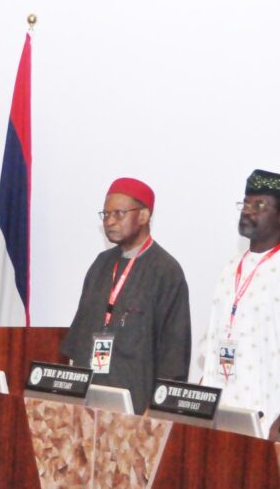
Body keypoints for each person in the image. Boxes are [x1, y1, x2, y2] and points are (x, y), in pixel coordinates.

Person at [191, 170, 280, 438]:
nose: (247, 211)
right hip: (216, 414)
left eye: (259, 205)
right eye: (245, 203)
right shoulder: (231, 266)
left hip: (265, 418)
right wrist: (199, 402)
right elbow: (214, 342)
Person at [61, 177, 190, 413]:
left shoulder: (166, 271)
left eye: (119, 214)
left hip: (137, 408)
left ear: (143, 216)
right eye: (106, 215)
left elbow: (174, 351)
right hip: (88, 402)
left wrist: (158, 409)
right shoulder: (101, 265)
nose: (110, 222)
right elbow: (78, 338)